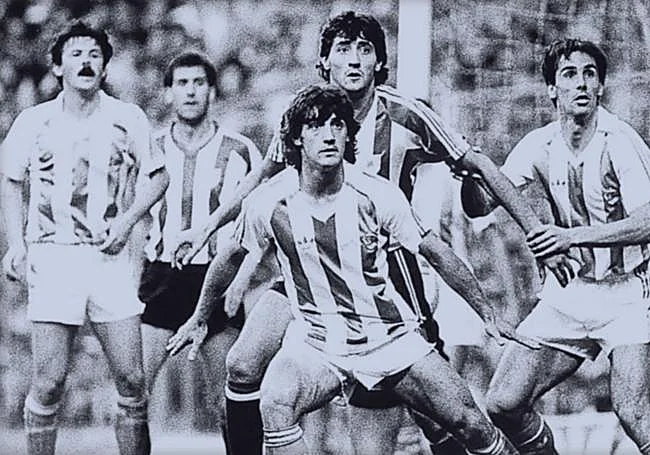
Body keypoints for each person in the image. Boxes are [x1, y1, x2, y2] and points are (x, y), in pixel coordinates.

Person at [170, 11, 570, 455]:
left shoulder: (406, 116)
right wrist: (207, 228)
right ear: (325, 61)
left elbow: (480, 168)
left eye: (365, 50)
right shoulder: (305, 116)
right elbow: (262, 180)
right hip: (312, 270)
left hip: (390, 275)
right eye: (343, 49)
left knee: (440, 415)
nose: (355, 60)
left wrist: (536, 232)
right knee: (244, 366)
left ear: (380, 62)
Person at [461, 38, 650, 454]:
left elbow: (647, 221)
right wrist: (469, 169)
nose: (581, 83)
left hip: (627, 295)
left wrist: (571, 237)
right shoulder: (540, 144)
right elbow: (480, 205)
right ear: (552, 88)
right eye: (569, 74)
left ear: (600, 86)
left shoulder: (619, 140)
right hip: (569, 294)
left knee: (633, 412)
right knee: (503, 403)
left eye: (589, 74)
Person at [0, 21, 169, 455]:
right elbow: (11, 180)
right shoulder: (34, 121)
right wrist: (16, 243)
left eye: (94, 55)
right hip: (53, 256)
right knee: (49, 381)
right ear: (58, 67)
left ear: (105, 67)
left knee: (132, 379)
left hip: (108, 259)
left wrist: (127, 221)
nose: (86, 62)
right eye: (75, 54)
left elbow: (158, 176)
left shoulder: (127, 117)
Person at [137, 52, 261, 447]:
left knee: (229, 400)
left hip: (216, 278)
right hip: (160, 277)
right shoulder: (151, 148)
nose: (190, 91)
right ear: (168, 92)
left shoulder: (240, 149)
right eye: (182, 83)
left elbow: (261, 223)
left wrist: (242, 280)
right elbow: (135, 216)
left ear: (212, 91)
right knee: (134, 393)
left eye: (198, 83)